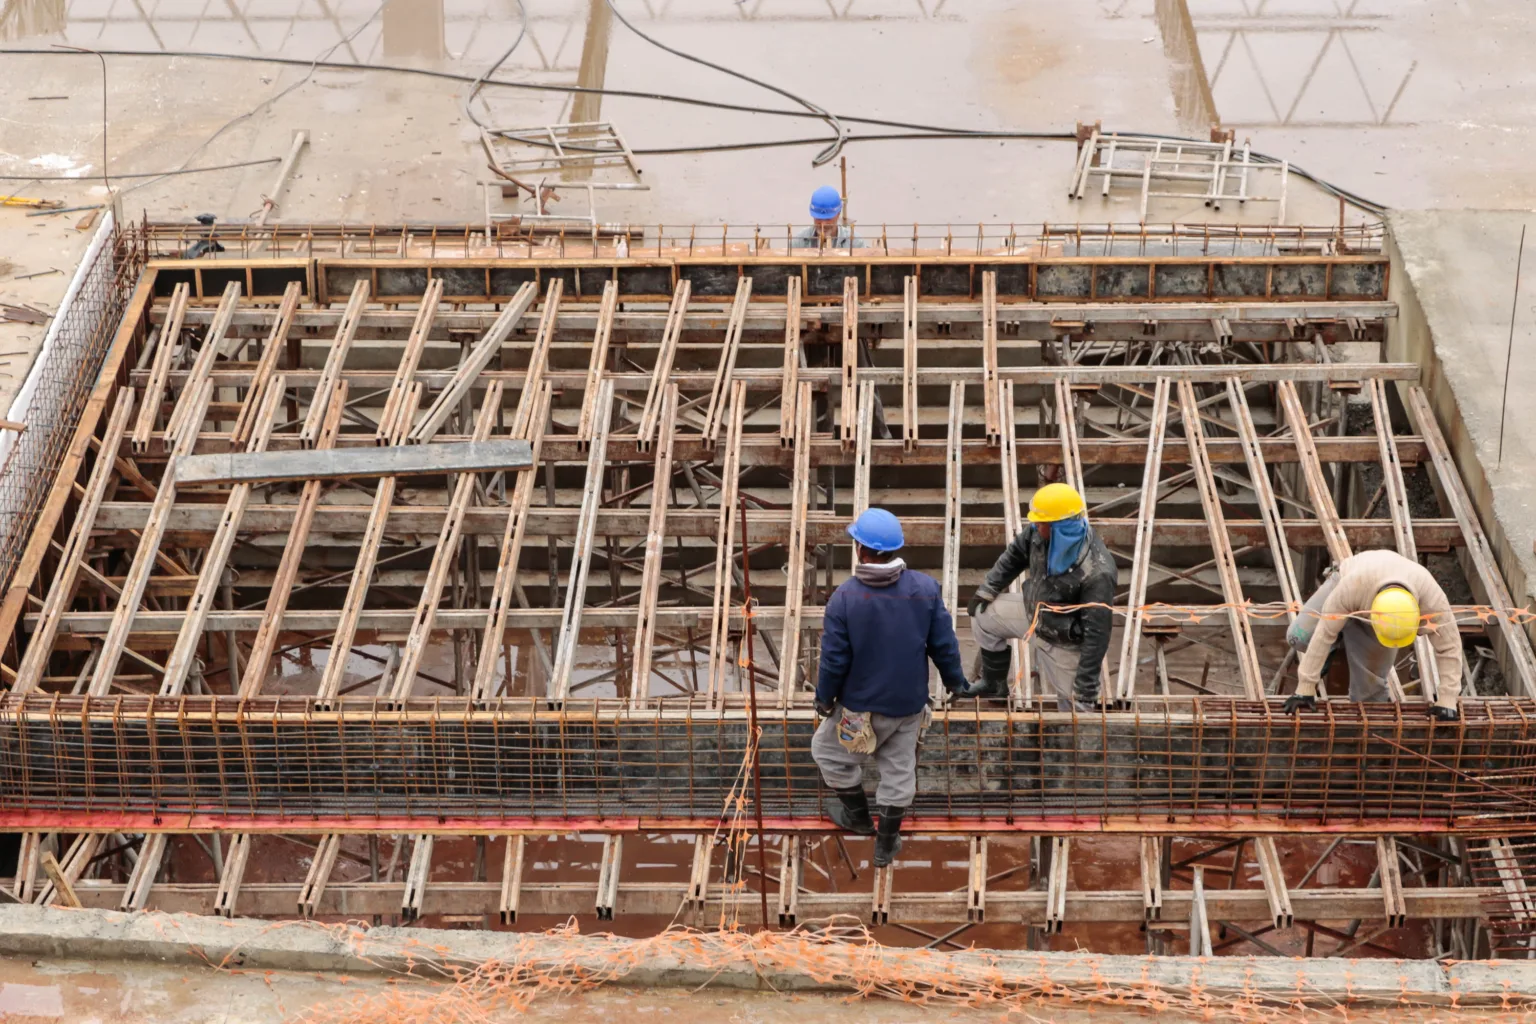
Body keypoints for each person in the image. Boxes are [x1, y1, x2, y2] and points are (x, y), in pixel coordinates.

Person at [812, 507, 967, 867]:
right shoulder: (925, 589)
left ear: (860, 550)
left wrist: (824, 700)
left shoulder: (845, 598)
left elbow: (834, 661)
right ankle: (886, 844)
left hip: (859, 709)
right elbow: (944, 645)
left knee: (828, 752)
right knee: (899, 769)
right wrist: (957, 683)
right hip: (908, 705)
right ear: (895, 549)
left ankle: (859, 818)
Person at [961, 483, 1116, 709]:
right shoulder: (1039, 533)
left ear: (1059, 527)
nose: (1034, 525)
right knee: (982, 614)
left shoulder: (1097, 571)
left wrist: (1086, 684)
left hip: (1064, 640)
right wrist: (988, 589)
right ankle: (994, 684)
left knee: (1078, 708)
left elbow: (1097, 634)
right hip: (1035, 615)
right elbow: (1014, 556)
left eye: (1041, 522)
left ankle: (1074, 739)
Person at [1282, 549, 1462, 720]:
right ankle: (1341, 640)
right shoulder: (1351, 588)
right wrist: (1305, 688)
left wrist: (1448, 700)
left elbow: (1449, 647)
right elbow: (1324, 633)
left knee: (1369, 698)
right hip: (1347, 578)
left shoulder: (1432, 600)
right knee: (1299, 637)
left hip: (1379, 589)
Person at [792, 186, 863, 249]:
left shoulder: (854, 243)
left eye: (828, 218)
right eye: (819, 218)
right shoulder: (800, 241)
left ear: (838, 214)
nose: (823, 224)